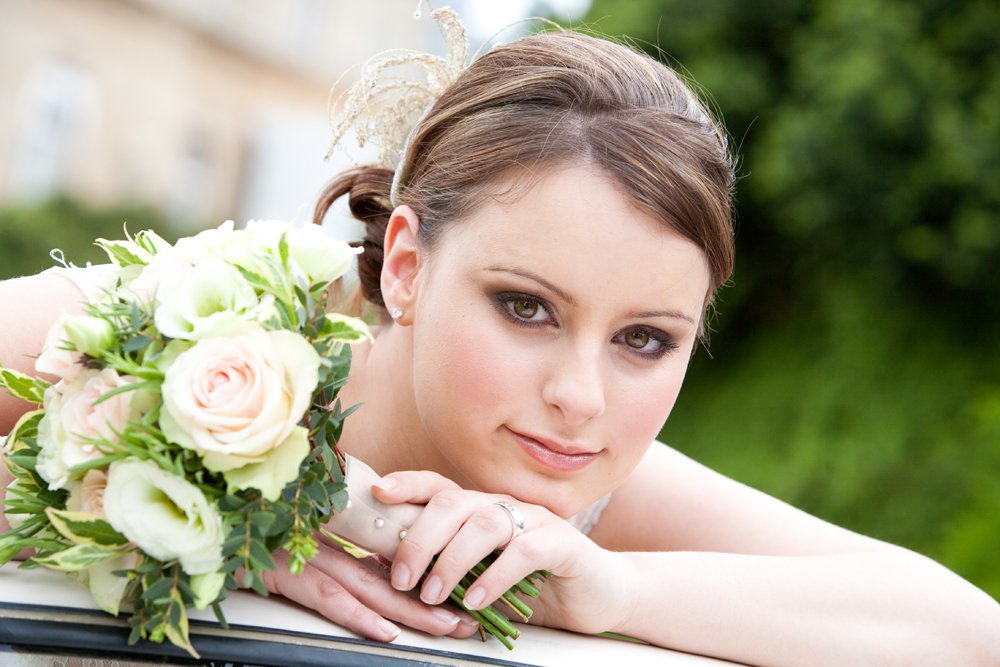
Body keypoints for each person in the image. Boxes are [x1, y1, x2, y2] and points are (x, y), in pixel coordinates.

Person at [2, 18, 999, 667]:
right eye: (526, 307)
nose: (581, 397)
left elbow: (962, 631)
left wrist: (614, 588)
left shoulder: (592, 492)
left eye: (645, 338)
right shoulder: (196, 330)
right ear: (404, 264)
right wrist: (214, 517)